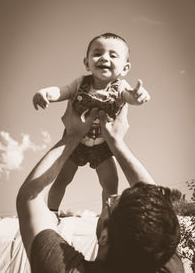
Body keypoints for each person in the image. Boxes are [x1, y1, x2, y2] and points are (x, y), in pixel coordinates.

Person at [16, 103, 184, 273]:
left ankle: (53, 211)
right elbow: (159, 214)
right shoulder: (157, 255)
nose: (109, 200)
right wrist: (116, 143)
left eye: (110, 204)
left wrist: (72, 136)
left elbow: (30, 195)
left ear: (104, 237)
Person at [32, 32, 151, 212]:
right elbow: (62, 91)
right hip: (75, 143)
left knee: (111, 183)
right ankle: (52, 212)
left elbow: (130, 97)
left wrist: (138, 96)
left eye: (113, 55)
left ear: (125, 68)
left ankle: (107, 217)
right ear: (87, 63)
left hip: (103, 146)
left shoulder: (121, 86)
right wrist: (46, 93)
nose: (104, 57)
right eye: (97, 53)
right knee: (62, 179)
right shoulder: (80, 83)